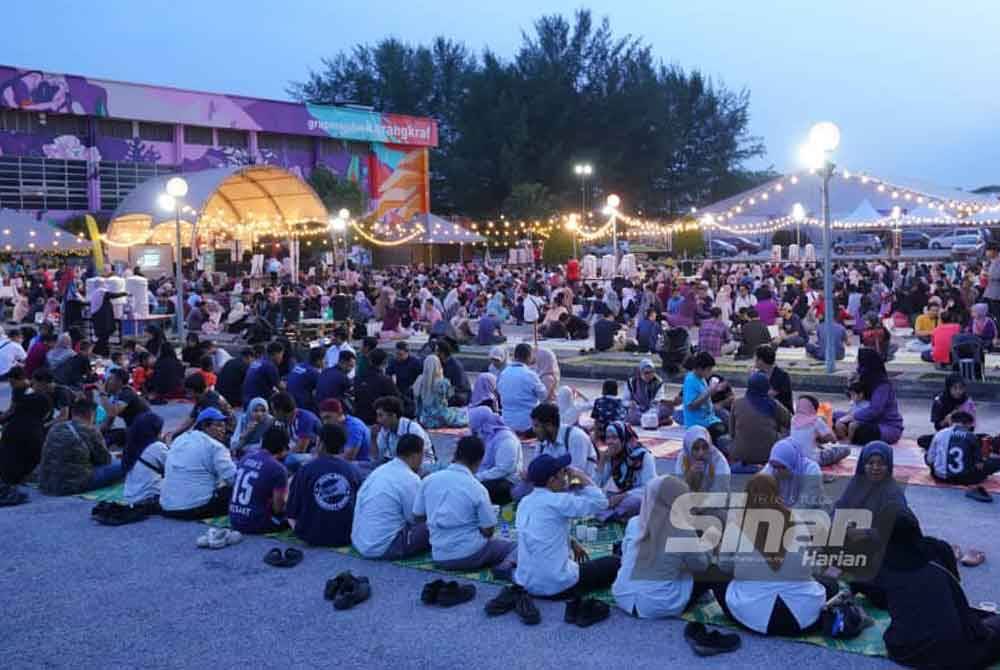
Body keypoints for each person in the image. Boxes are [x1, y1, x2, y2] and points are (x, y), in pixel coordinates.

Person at [877, 511, 1000, 668]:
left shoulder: (879, 563)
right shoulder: (939, 549)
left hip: (902, 652)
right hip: (958, 658)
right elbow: (954, 587)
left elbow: (878, 598)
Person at [711, 473, 828, 636]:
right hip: (803, 617)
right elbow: (813, 568)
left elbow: (724, 566)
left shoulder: (736, 525)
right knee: (830, 584)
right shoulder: (798, 521)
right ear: (777, 493)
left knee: (714, 575)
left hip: (752, 616)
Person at [612, 475, 718, 619]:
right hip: (659, 604)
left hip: (623, 596)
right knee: (712, 570)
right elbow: (701, 566)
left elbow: (624, 557)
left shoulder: (635, 522)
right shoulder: (683, 530)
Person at [514, 453, 619, 598]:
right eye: (563, 473)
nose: (566, 477)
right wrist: (580, 475)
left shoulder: (524, 502)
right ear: (552, 480)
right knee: (614, 563)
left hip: (526, 582)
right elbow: (601, 502)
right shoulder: (558, 501)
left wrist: (571, 542)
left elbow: (543, 530)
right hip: (556, 584)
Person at [414, 435, 517, 574]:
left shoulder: (429, 480)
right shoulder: (476, 487)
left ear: (455, 455)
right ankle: (505, 568)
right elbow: (488, 531)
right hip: (469, 554)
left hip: (439, 555)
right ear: (479, 461)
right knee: (515, 547)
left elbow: (418, 516)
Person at [833, 440, 910, 606]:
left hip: (878, 546)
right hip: (853, 542)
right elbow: (839, 507)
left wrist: (866, 532)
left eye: (881, 463)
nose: (875, 468)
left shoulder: (893, 493)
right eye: (870, 463)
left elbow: (899, 529)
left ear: (889, 465)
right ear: (863, 464)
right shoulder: (856, 483)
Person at [351, 433, 429, 559]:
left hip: (360, 542)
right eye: (422, 455)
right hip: (384, 546)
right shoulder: (409, 478)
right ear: (415, 456)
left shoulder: (379, 471)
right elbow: (415, 517)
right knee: (436, 522)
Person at [286, 423, 361, 546]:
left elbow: (292, 510)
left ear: (320, 443)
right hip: (345, 536)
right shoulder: (354, 471)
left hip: (309, 535)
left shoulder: (305, 469)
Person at [159, 408, 237, 520]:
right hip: (193, 508)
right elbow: (233, 479)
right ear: (205, 426)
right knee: (236, 492)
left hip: (167, 507)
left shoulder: (180, 439)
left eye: (224, 426)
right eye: (219, 426)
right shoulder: (216, 446)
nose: (223, 430)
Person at [39, 398, 121, 495]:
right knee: (124, 464)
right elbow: (105, 460)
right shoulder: (90, 430)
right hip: (72, 485)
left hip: (47, 484)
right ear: (92, 414)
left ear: (73, 412)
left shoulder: (55, 427)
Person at [229, 423, 289, 534]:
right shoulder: (279, 469)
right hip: (255, 523)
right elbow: (278, 509)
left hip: (234, 519)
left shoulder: (245, 457)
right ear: (284, 448)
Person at [836, 348, 904, 445]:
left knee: (860, 431)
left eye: (859, 364)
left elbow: (874, 411)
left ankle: (849, 436)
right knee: (835, 416)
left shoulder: (883, 385)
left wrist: (852, 417)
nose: (857, 367)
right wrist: (851, 382)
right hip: (864, 420)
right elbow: (855, 400)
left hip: (885, 426)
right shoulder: (865, 379)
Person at [0, 367, 52, 492]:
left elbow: (12, 411)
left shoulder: (27, 395)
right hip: (29, 433)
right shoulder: (38, 397)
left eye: (13, 382)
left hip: (23, 434)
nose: (11, 385)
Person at [594, 421, 656, 523]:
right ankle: (618, 515)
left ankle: (614, 515)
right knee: (598, 498)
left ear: (623, 439)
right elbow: (597, 485)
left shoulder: (643, 456)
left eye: (614, 438)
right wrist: (601, 462)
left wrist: (623, 496)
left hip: (640, 497)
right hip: (621, 497)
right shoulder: (612, 457)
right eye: (608, 438)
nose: (609, 442)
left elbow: (649, 487)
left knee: (632, 503)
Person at [926, 411, 1000, 491]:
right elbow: (979, 465)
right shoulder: (971, 436)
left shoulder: (939, 433)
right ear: (967, 424)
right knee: (994, 463)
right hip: (965, 479)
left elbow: (930, 459)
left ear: (951, 421)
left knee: (927, 454)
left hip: (939, 477)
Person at [729, 372, 791, 467]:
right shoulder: (773, 404)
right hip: (769, 454)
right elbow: (790, 421)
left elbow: (732, 433)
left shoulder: (737, 403)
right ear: (766, 387)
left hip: (741, 455)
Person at [469, 406, 523, 505]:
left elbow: (503, 469)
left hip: (506, 481)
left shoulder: (506, 439)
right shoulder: (488, 436)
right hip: (489, 476)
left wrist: (478, 477)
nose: (474, 432)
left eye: (475, 429)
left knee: (476, 489)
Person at [531, 403, 598, 479]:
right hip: (556, 482)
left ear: (549, 425)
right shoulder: (542, 441)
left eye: (536, 426)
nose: (533, 430)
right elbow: (536, 470)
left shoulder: (576, 437)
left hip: (583, 483)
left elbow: (576, 476)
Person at [760, 438, 825, 510]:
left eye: (782, 467)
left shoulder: (811, 470)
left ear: (792, 463)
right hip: (783, 511)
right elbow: (758, 490)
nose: (778, 471)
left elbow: (805, 505)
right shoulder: (773, 466)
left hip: (811, 511)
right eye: (775, 467)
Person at [497, 343, 547, 434]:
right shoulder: (530, 374)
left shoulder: (504, 373)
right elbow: (543, 396)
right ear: (529, 357)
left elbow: (499, 392)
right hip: (528, 424)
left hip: (506, 422)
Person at [122, 412, 167, 507]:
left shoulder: (130, 445)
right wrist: (167, 444)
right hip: (148, 498)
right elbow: (173, 467)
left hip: (129, 497)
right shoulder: (157, 447)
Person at [374, 396, 435, 465]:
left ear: (393, 416)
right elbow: (378, 456)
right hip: (400, 464)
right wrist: (373, 438)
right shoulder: (385, 430)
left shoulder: (413, 429)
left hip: (422, 464)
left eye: (381, 416)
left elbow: (416, 459)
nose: (378, 420)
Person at [790, 395, 849, 466]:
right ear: (815, 408)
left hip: (795, 459)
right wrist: (827, 423)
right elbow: (833, 439)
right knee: (846, 449)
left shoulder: (793, 419)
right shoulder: (816, 420)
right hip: (813, 460)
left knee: (817, 445)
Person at [681, 352, 726, 445]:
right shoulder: (690, 381)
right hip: (698, 422)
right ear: (699, 368)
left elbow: (704, 396)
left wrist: (716, 389)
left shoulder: (701, 378)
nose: (710, 372)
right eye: (708, 369)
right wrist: (710, 390)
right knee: (721, 432)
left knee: (729, 421)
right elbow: (691, 406)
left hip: (709, 418)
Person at [674, 425, 731, 498]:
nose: (701, 453)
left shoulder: (718, 460)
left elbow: (720, 491)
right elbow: (680, 490)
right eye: (696, 448)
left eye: (705, 447)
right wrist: (690, 475)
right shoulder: (683, 458)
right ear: (688, 448)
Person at [412, 354, 468, 428]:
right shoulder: (442, 382)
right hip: (439, 417)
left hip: (422, 418)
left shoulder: (419, 380)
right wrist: (441, 376)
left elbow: (416, 398)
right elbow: (450, 396)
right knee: (462, 414)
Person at [354, 349, 401, 425]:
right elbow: (396, 401)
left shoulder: (358, 378)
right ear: (385, 362)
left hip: (359, 419)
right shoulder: (386, 380)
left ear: (370, 361)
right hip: (378, 422)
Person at [318, 398, 372, 465]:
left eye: (328, 417)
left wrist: (322, 457)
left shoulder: (354, 427)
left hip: (361, 464)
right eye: (323, 419)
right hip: (344, 462)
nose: (325, 422)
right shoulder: (333, 426)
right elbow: (318, 451)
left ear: (339, 413)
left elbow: (348, 457)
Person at [623, 358, 674, 427]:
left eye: (652, 372)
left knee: (668, 408)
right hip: (637, 410)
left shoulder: (658, 382)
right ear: (640, 372)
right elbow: (624, 401)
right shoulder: (631, 382)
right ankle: (656, 422)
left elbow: (659, 398)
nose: (649, 375)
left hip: (653, 410)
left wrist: (665, 402)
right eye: (646, 373)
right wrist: (630, 403)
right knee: (630, 414)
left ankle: (647, 421)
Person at [242, 342, 284, 406]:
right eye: (281, 355)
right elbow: (281, 387)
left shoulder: (257, 361)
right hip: (258, 404)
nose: (282, 358)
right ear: (276, 354)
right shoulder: (270, 365)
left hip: (246, 401)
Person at [754, 344, 793, 413]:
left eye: (756, 358)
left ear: (761, 360)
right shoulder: (758, 374)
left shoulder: (782, 376)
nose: (754, 360)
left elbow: (767, 396)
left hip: (782, 413)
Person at [287, 347, 324, 414]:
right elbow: (324, 390)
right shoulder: (313, 372)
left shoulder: (298, 365)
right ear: (319, 360)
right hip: (302, 406)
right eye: (325, 360)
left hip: (290, 401)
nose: (326, 362)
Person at [436, 341, 471, 407]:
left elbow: (459, 386)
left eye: (437, 351)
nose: (435, 354)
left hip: (460, 394)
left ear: (442, 353)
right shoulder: (441, 363)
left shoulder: (455, 366)